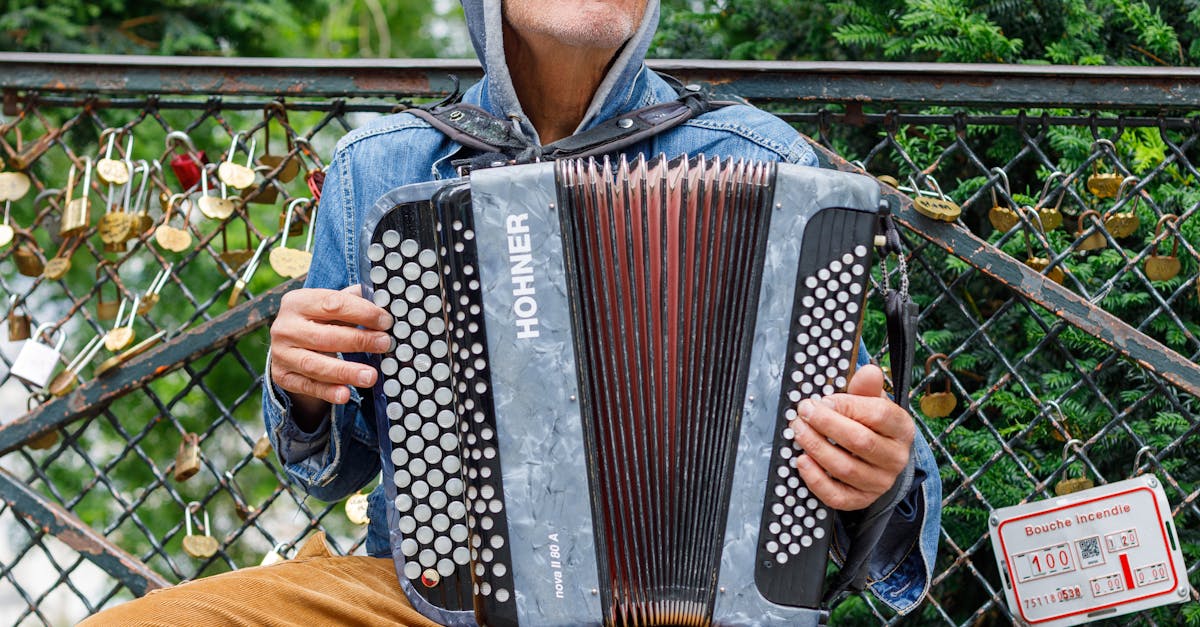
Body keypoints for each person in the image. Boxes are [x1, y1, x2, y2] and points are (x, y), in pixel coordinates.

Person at [82, 1, 940, 624]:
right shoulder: (384, 167)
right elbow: (331, 468)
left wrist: (877, 474)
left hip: (707, 608)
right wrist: (301, 390)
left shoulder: (762, 166)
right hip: (437, 606)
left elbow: (877, 473)